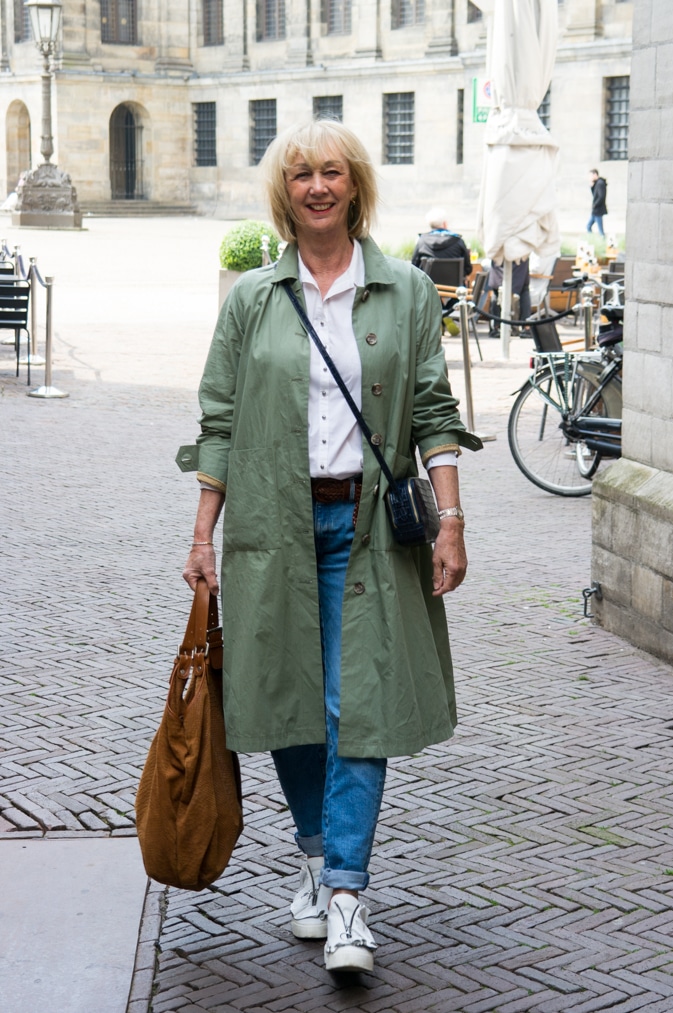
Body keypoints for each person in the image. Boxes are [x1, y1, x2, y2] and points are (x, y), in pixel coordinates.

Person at [182, 120, 481, 974]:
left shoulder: (405, 290)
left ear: (355, 185)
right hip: (272, 531)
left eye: (333, 172)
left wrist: (450, 523)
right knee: (289, 703)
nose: (318, 186)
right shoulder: (252, 298)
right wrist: (202, 533)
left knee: (360, 705)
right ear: (286, 190)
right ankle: (314, 860)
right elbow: (219, 421)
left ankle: (347, 896)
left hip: (369, 532)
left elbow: (432, 413)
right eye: (302, 173)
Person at [411, 207, 472, 281]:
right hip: (453, 290)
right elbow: (468, 269)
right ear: (445, 224)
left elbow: (414, 267)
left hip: (428, 290)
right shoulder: (458, 241)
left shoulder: (421, 241)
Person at [486, 258, 531, 338]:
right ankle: (527, 327)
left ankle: (496, 327)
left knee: (497, 290)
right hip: (519, 257)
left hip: (500, 257)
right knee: (524, 289)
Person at [587, 169, 608, 236]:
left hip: (598, 210)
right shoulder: (597, 183)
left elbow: (601, 196)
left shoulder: (600, 183)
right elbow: (595, 195)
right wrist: (592, 187)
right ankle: (592, 239)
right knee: (588, 226)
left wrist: (595, 205)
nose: (590, 178)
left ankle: (602, 241)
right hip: (595, 210)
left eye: (591, 175)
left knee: (600, 230)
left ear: (595, 174)